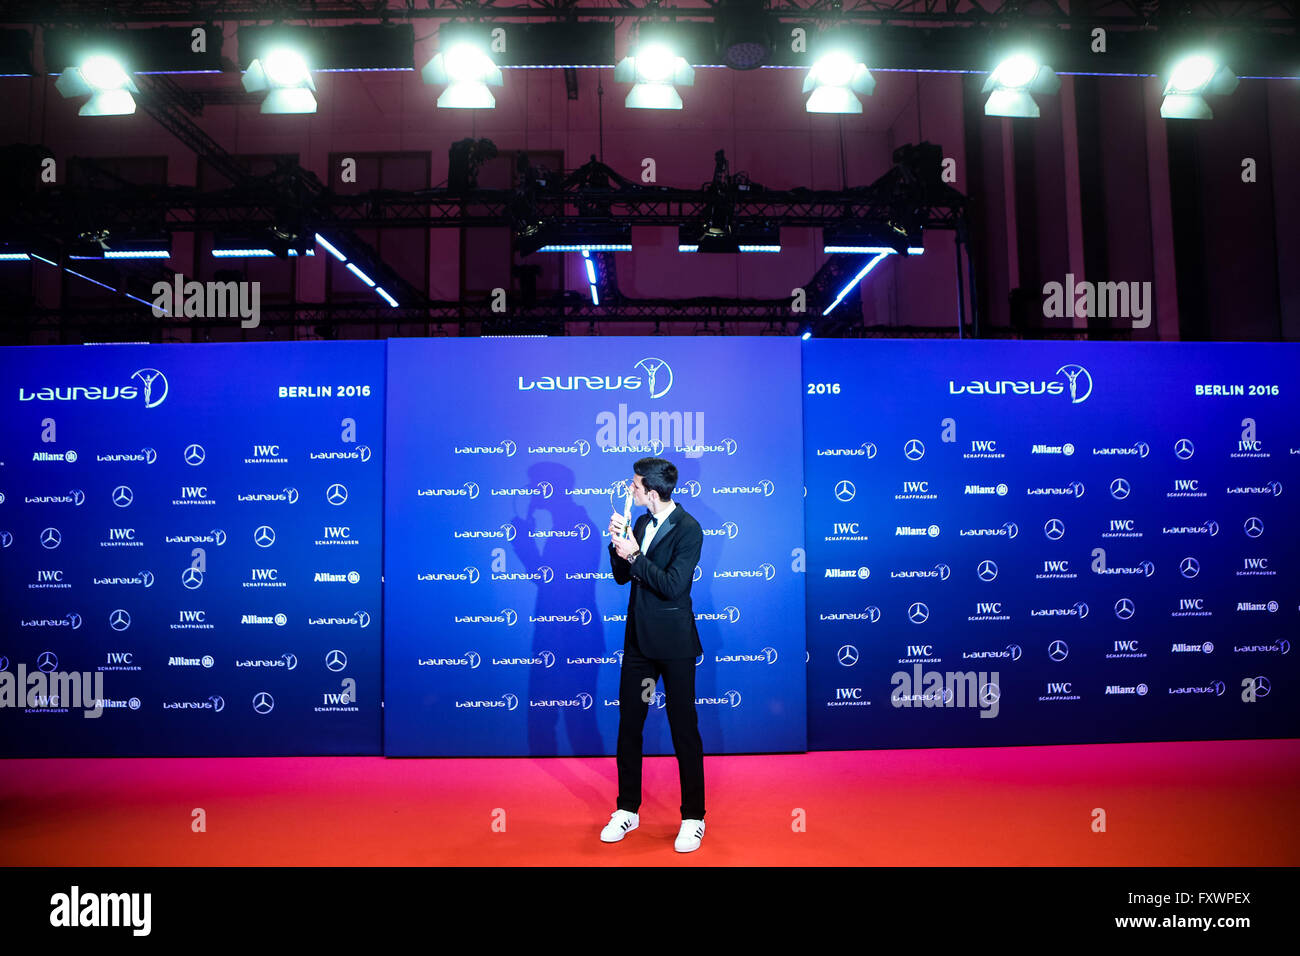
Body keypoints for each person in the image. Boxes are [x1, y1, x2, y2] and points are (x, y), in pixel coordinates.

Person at [601, 457, 706, 853]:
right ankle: (627, 809)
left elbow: (674, 586)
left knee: (684, 730)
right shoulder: (640, 523)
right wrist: (618, 546)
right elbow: (622, 576)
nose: (631, 489)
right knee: (630, 726)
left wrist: (634, 555)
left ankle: (693, 817)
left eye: (635, 484)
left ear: (652, 491)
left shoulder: (689, 529)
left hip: (675, 646)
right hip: (639, 645)